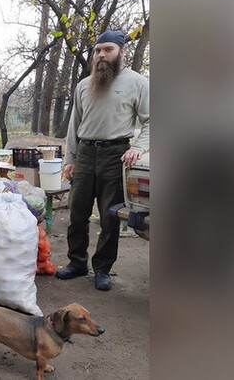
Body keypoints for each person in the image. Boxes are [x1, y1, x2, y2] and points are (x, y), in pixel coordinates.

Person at [55, 30, 149, 291]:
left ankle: (102, 269)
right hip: (85, 154)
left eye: (108, 49)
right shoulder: (85, 85)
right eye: (97, 50)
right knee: (77, 212)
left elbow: (152, 120)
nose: (101, 55)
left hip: (116, 155)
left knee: (109, 217)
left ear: (121, 52)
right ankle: (76, 263)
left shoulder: (138, 83)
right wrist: (69, 159)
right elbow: (74, 126)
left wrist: (139, 148)